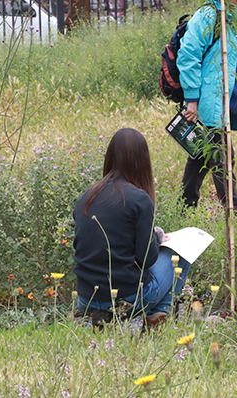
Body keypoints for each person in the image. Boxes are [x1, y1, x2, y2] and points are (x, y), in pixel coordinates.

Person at [73, 128, 189, 328]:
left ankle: (103, 320)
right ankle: (157, 316)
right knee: (183, 255)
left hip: (86, 298)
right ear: (143, 161)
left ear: (109, 157)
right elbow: (147, 258)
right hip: (125, 300)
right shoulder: (139, 199)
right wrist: (156, 238)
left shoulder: (86, 196)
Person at [177, 0, 237, 218]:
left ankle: (184, 208)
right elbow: (187, 57)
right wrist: (192, 100)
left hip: (224, 102)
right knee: (222, 157)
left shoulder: (234, 15)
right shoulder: (208, 17)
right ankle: (236, 212)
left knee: (199, 155)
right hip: (209, 102)